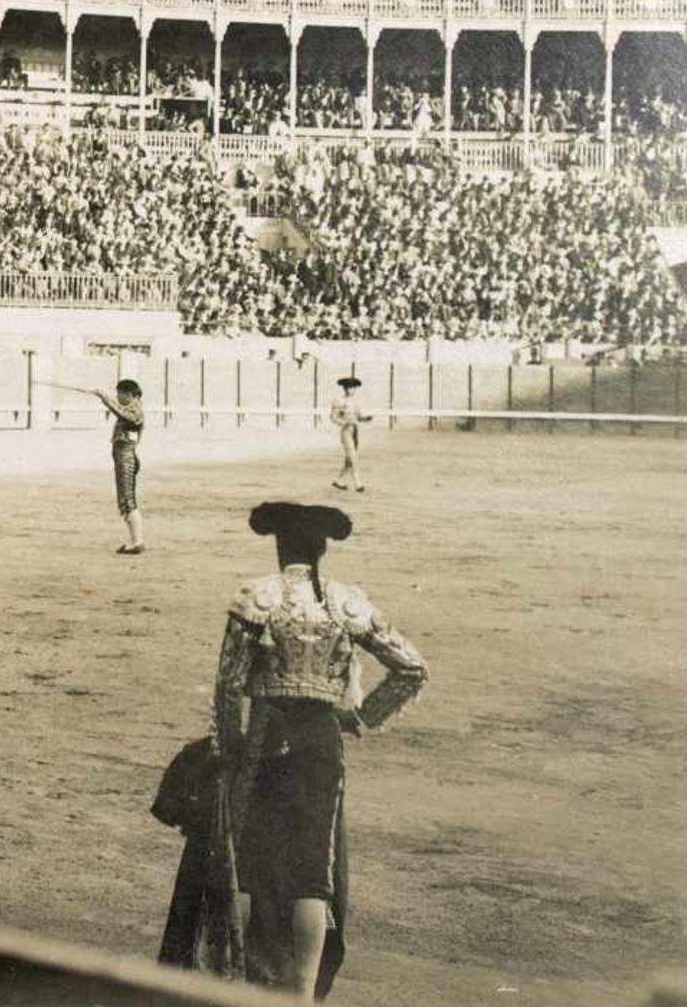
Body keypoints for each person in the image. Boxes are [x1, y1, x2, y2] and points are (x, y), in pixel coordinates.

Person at [213, 502, 428, 1000]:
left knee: (248, 862)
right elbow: (412, 669)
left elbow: (227, 687)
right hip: (321, 742)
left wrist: (230, 750)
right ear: (322, 550)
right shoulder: (346, 603)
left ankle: (238, 982)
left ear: (279, 546)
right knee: (313, 871)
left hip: (266, 736)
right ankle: (305, 995)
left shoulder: (257, 597)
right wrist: (360, 717)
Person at [82, 379, 147, 554]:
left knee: (127, 500)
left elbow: (122, 414)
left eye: (120, 393)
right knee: (125, 500)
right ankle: (135, 540)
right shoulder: (134, 408)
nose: (118, 397)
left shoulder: (135, 411)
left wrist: (103, 396)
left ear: (130, 394)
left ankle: (137, 541)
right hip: (124, 457)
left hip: (126, 458)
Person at [327, 377, 372, 492]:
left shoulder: (355, 402)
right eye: (347, 387)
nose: (349, 390)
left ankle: (338, 480)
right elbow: (333, 417)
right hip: (346, 430)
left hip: (355, 430)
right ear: (344, 388)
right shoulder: (338, 400)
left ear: (355, 389)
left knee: (349, 459)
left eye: (352, 387)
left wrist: (365, 419)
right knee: (353, 457)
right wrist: (344, 423)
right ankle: (358, 483)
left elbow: (358, 417)